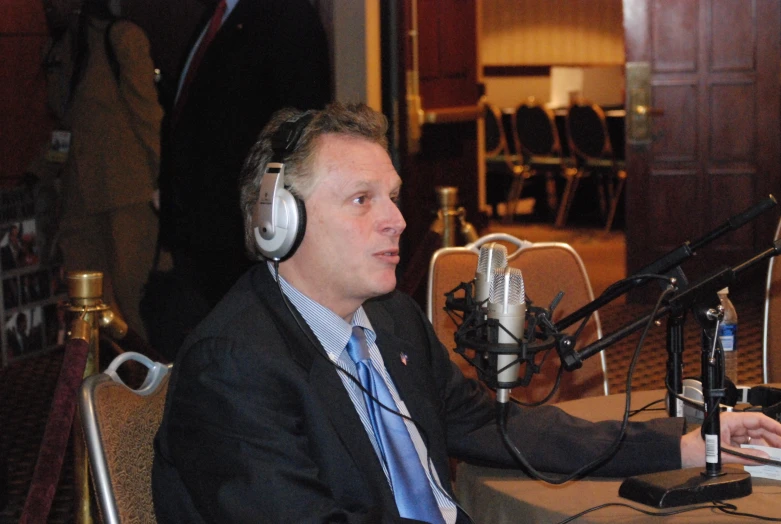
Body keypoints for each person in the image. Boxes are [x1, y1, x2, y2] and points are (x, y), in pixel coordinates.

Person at [152, 103, 781, 523]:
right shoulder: (233, 365)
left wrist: (693, 442)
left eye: (393, 198)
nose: (397, 220)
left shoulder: (390, 320)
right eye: (362, 200)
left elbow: (498, 429)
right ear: (277, 223)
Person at [154, 0, 332, 356]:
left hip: (245, 234)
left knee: (245, 354)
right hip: (198, 232)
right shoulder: (216, 14)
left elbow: (300, 127)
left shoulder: (287, 14)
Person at [56, 0, 162, 339]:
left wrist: (164, 177)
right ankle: (103, 381)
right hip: (80, 200)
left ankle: (154, 385)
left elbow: (147, 116)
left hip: (126, 194)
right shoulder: (62, 49)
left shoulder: (122, 38)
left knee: (135, 303)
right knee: (86, 311)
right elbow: (62, 126)